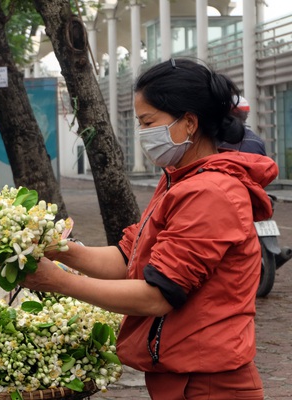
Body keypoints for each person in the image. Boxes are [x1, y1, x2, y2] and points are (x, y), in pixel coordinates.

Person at [21, 58, 278, 399]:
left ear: (188, 122)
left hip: (210, 383)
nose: (142, 133)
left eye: (148, 122)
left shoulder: (210, 192)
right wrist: (58, 248)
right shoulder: (179, 179)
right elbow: (128, 256)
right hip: (181, 375)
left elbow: (158, 296)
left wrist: (58, 281)